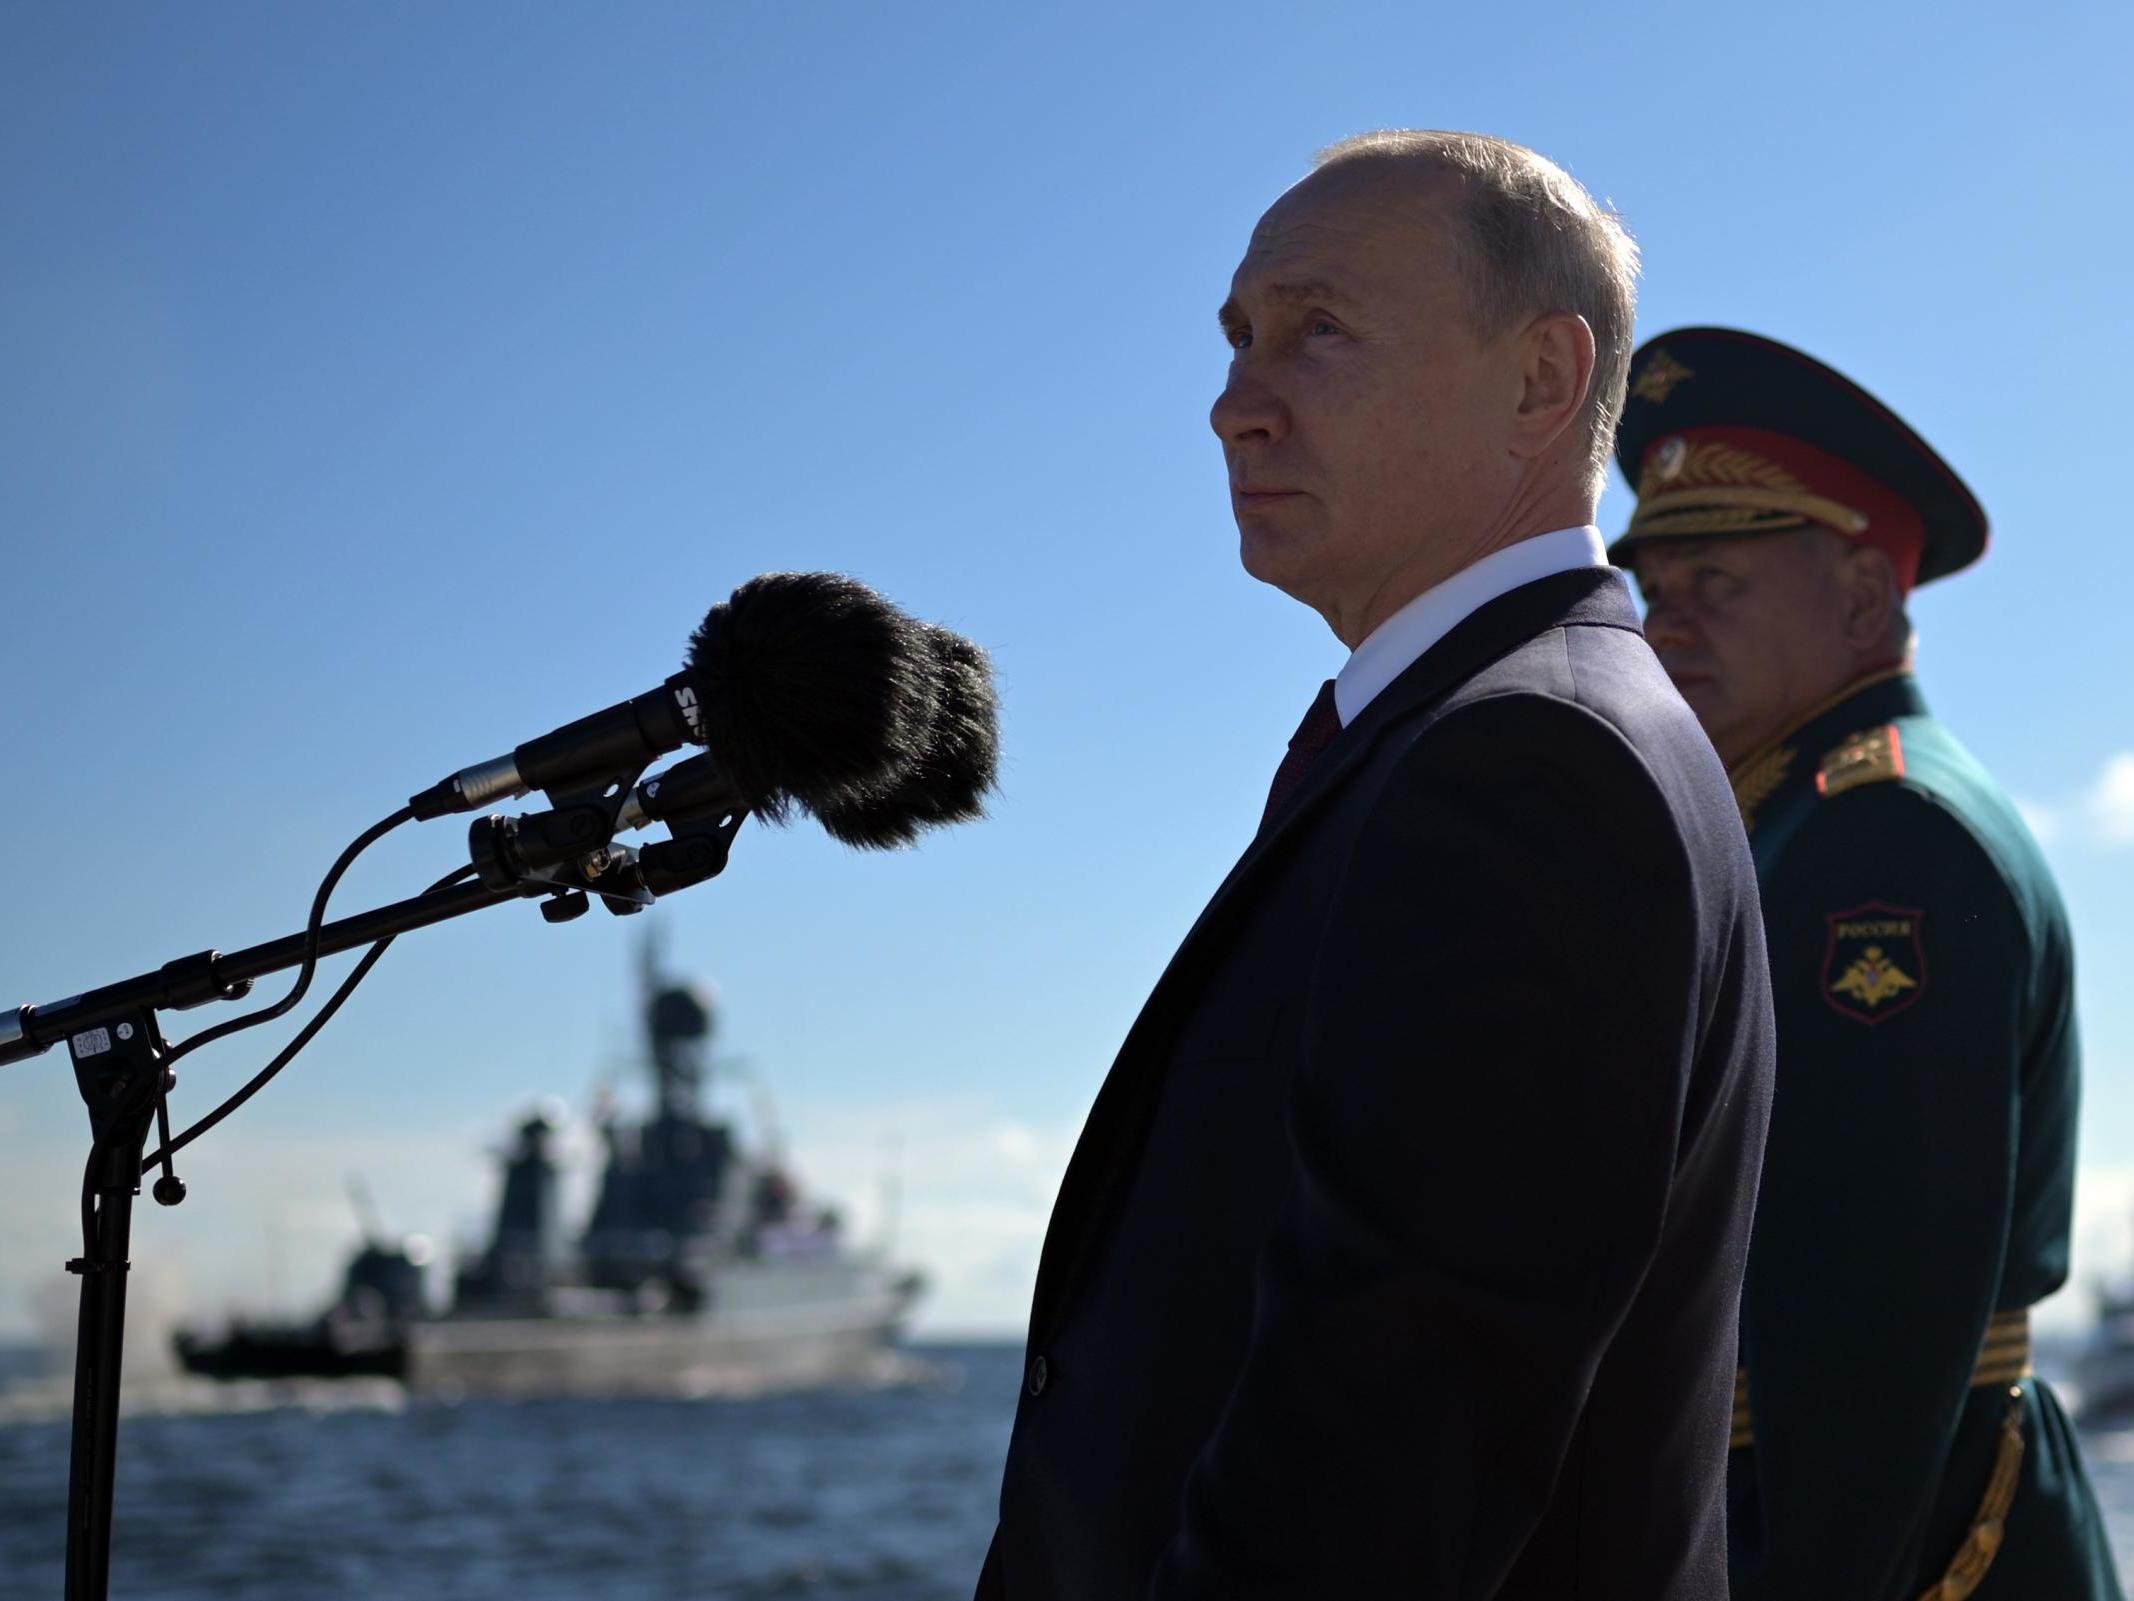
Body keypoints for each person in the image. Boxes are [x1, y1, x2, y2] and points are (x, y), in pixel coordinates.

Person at [978, 132, 1775, 1599]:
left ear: (1539, 380)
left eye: (1318, 331)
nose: (1234, 406)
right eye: (1235, 339)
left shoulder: (1534, 765)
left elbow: (1390, 1452)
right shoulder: (1476, 737)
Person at [1614, 326, 2124, 1600]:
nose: (1665, 627)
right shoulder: (1790, 821)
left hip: (1884, 1530)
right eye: (1652, 591)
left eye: (1714, 583)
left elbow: (1873, 1317)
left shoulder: (1881, 839)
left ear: (1857, 596)